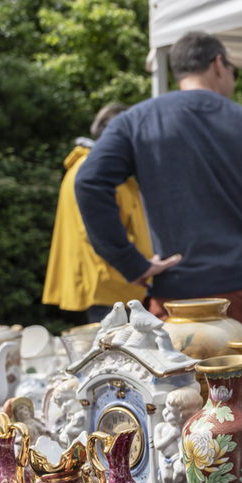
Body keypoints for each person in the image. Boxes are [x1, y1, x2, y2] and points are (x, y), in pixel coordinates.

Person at [74, 32, 242, 336]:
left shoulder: (137, 121)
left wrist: (130, 262)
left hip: (175, 299)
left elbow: (89, 182)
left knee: (176, 384)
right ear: (219, 64)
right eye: (235, 72)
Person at [43, 103, 153, 323]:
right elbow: (99, 229)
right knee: (121, 355)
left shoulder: (93, 167)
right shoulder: (96, 171)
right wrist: (140, 267)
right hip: (112, 287)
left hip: (116, 285)